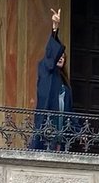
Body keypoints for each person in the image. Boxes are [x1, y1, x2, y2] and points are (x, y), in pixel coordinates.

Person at [30, 8, 74, 151]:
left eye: (63, 57)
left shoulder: (64, 81)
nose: (61, 57)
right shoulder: (46, 68)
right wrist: (55, 29)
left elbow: (70, 109)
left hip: (61, 122)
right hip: (48, 119)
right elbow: (50, 53)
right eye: (59, 56)